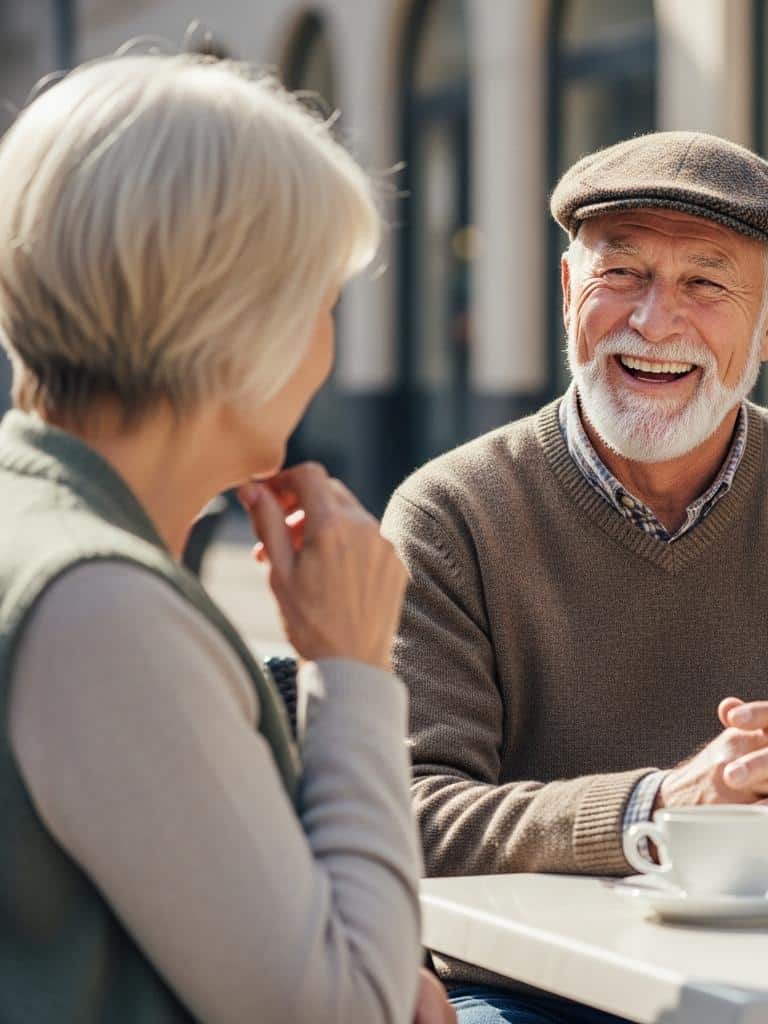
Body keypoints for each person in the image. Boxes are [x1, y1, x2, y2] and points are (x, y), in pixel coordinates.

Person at [380, 131, 768, 1023]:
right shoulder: (452, 512)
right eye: (622, 274)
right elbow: (406, 814)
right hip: (535, 993)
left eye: (705, 283)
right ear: (570, 294)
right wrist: (662, 811)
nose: (653, 321)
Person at [0, 53, 454, 1024]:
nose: (327, 343)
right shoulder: (98, 604)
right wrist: (351, 664)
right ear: (239, 322)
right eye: (324, 300)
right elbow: (337, 1011)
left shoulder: (44, 534)